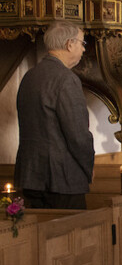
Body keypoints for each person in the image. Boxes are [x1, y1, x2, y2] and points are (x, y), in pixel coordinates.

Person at [14, 21, 94, 210]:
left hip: (31, 176)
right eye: (82, 43)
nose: (83, 50)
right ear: (69, 44)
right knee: (69, 236)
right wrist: (88, 168)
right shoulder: (66, 79)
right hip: (62, 179)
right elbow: (78, 136)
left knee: (39, 237)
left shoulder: (30, 76)